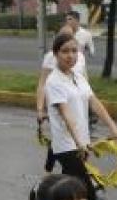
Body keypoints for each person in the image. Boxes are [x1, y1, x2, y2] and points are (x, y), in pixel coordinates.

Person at [45, 33, 117, 200]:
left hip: (81, 142)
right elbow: (66, 115)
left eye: (74, 51)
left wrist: (114, 128)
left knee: (67, 189)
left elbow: (94, 103)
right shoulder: (54, 81)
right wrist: (79, 143)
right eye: (65, 51)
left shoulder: (78, 77)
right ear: (55, 54)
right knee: (86, 192)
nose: (70, 56)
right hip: (67, 145)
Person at [36, 25, 85, 172]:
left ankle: (63, 175)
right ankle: (52, 165)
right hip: (59, 102)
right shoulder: (51, 58)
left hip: (75, 103)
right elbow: (42, 83)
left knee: (67, 141)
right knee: (63, 136)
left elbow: (84, 79)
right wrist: (40, 108)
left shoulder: (79, 57)